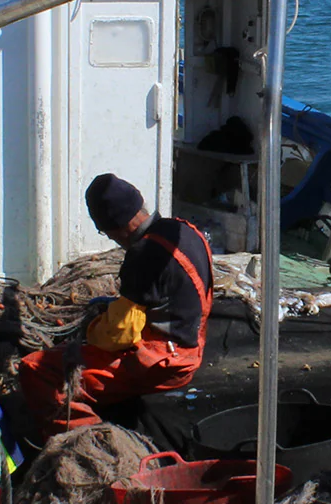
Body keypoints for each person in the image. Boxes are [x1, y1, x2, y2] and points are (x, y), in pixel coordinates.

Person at [15, 174, 213, 438]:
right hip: (192, 346)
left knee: (37, 370)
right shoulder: (185, 230)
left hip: (163, 365)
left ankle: (89, 443)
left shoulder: (143, 254)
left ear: (117, 227)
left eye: (105, 232)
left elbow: (119, 335)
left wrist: (92, 328)